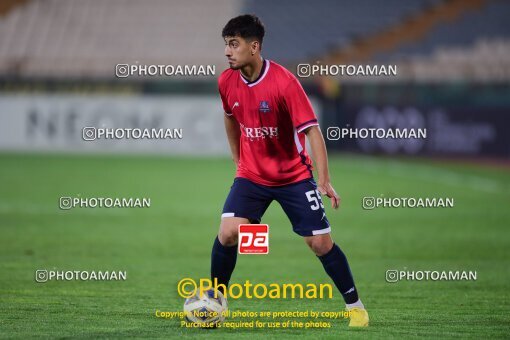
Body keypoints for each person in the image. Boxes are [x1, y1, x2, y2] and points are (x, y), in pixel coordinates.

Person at [211, 14, 369, 327]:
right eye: (226, 45)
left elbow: (312, 131)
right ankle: (216, 301)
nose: (227, 51)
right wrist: (237, 160)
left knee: (320, 244)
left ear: (254, 46)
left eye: (234, 44)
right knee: (228, 233)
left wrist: (324, 181)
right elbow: (230, 117)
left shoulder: (284, 82)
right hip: (252, 176)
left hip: (293, 177)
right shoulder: (226, 81)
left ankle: (356, 308)